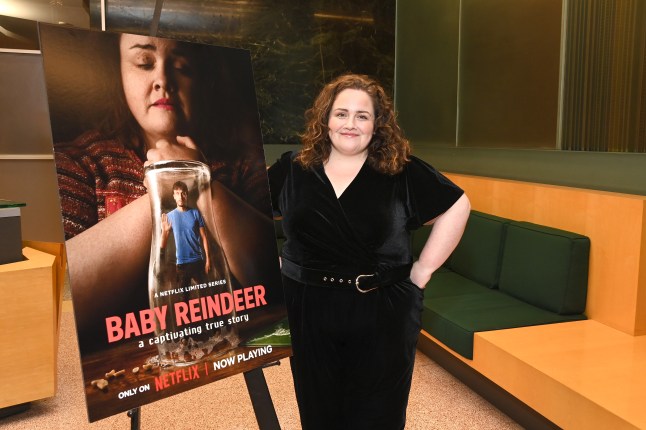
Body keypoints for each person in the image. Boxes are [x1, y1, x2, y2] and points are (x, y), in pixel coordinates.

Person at [268, 74, 471, 429]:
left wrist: (422, 270)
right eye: (341, 113)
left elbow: (458, 205)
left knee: (379, 412)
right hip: (308, 306)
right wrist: (270, 262)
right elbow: (244, 210)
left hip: (383, 308)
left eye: (362, 116)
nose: (350, 124)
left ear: (377, 124)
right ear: (325, 119)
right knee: (319, 407)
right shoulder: (293, 168)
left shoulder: (401, 171)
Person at [50, 31, 277, 342]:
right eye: (144, 62)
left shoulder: (242, 165)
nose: (163, 80)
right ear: (117, 72)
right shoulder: (81, 163)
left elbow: (276, 279)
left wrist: (202, 184)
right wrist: (170, 183)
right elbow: (58, 299)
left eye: (182, 66)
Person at [161, 181, 211, 288]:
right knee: (184, 299)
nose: (180, 196)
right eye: (177, 193)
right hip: (182, 265)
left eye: (183, 193)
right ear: (174, 196)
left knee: (206, 295)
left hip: (198, 261)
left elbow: (204, 237)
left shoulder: (195, 213)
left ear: (186, 194)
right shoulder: (169, 216)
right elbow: (163, 240)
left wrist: (208, 260)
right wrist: (161, 264)